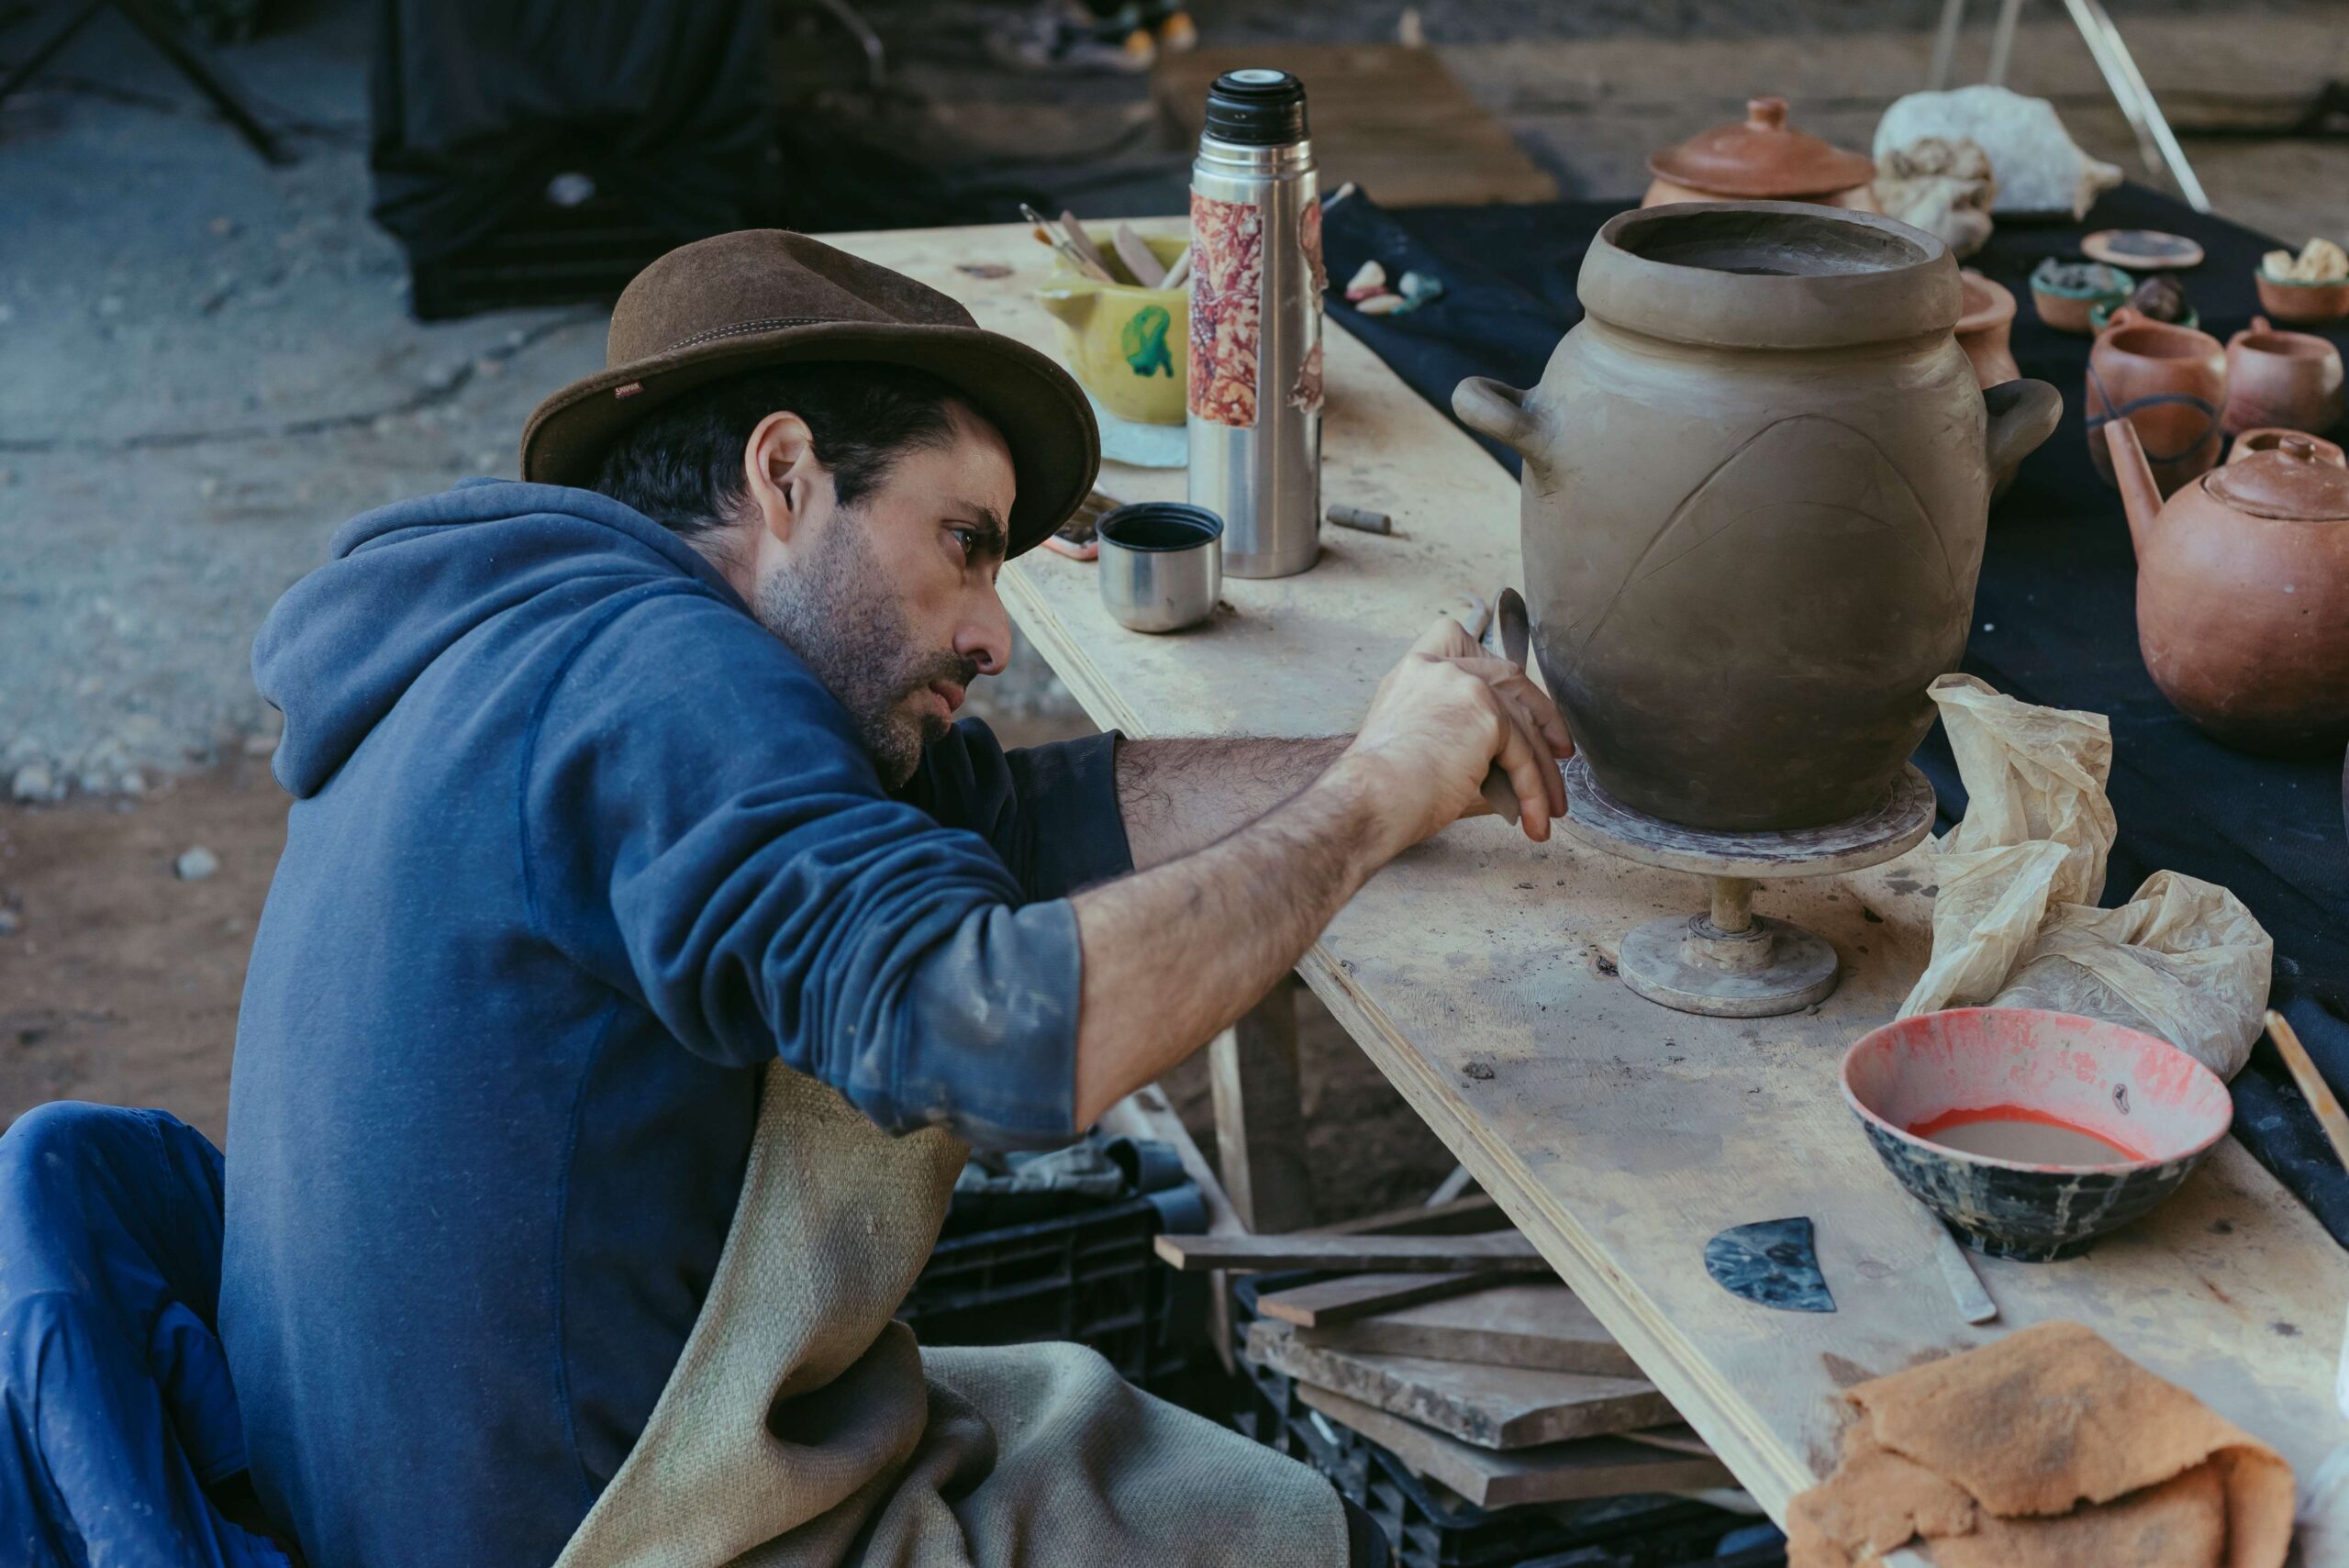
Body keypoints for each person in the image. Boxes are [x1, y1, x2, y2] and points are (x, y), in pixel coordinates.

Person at [221, 230, 1572, 1568]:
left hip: (438, 1483)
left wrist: (1422, 746)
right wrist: (1377, 796)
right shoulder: (665, 684)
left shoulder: (534, 644)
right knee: (1269, 1530)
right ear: (786, 473)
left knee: (1085, 1419)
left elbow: (1042, 822)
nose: (993, 632)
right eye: (965, 542)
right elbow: (996, 1030)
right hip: (592, 1533)